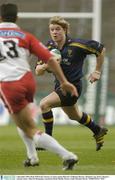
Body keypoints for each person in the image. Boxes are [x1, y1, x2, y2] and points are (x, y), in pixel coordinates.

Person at [0, 4, 79, 170]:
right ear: (17, 18)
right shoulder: (25, 36)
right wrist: (64, 81)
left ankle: (67, 155)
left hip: (9, 84)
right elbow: (50, 59)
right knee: (23, 122)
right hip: (27, 81)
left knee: (29, 129)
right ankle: (32, 157)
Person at [35, 16, 108, 151]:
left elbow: (100, 49)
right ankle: (97, 130)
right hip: (59, 86)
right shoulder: (48, 47)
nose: (55, 32)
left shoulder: (77, 45)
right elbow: (38, 71)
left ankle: (47, 140)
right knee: (74, 115)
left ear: (65, 30)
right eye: (52, 29)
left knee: (44, 104)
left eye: (58, 29)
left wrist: (97, 71)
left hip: (73, 87)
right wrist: (46, 65)